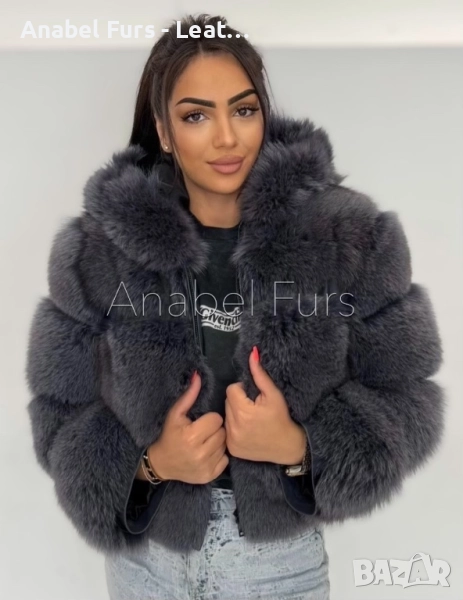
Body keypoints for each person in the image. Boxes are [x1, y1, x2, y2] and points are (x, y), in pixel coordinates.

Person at [25, 13, 445, 600]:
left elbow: (407, 397)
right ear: (164, 130)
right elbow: (59, 411)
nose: (226, 138)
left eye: (243, 110)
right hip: (146, 567)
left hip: (278, 567)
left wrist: (298, 449)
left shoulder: (348, 236)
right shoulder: (98, 249)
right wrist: (153, 466)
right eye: (196, 116)